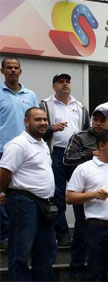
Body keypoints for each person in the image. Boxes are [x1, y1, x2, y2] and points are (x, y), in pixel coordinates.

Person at [66, 129, 108, 281]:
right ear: (101, 146)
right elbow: (70, 197)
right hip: (97, 229)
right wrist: (93, 194)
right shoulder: (84, 168)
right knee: (96, 274)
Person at [0, 107, 56, 281]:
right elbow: (4, 172)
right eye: (37, 119)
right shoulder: (18, 144)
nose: (43, 123)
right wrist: (3, 191)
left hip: (44, 204)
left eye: (45, 119)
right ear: (26, 121)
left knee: (46, 252)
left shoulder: (42, 144)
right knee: (21, 251)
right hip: (23, 202)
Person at [40, 73, 90, 246]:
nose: (65, 84)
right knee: (58, 194)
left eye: (67, 81)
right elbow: (38, 130)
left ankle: (83, 232)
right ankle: (62, 234)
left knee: (80, 193)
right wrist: (51, 129)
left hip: (77, 154)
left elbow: (86, 131)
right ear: (54, 86)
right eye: (60, 82)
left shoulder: (80, 106)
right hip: (56, 153)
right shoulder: (45, 104)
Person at [63, 107, 108, 280]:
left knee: (107, 233)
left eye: (102, 120)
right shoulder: (80, 137)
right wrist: (90, 154)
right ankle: (76, 268)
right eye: (95, 119)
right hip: (83, 193)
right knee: (82, 230)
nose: (98, 123)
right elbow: (67, 160)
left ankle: (106, 268)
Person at [0, 58, 39, 249]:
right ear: (2, 71)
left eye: (16, 68)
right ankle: (5, 236)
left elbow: (36, 121)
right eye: (9, 68)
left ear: (21, 71)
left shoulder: (30, 95)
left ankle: (22, 235)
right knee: (3, 193)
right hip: (2, 151)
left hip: (27, 152)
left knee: (23, 194)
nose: (13, 71)